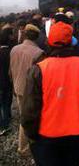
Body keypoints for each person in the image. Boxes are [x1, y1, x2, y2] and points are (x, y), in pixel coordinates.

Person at [21, 21, 79, 166]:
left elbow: (30, 109)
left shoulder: (39, 69)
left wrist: (31, 134)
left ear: (48, 42)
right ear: (71, 42)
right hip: (76, 134)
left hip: (46, 136)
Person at [10, 24, 44, 155]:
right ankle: (23, 147)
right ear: (36, 37)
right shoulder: (39, 53)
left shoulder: (14, 49)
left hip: (17, 87)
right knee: (29, 117)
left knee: (24, 115)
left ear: (24, 35)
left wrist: (13, 85)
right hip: (31, 92)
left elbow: (10, 71)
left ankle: (25, 145)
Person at [0, 28, 14, 136]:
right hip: (8, 81)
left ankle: (2, 125)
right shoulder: (10, 52)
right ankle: (7, 119)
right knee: (6, 101)